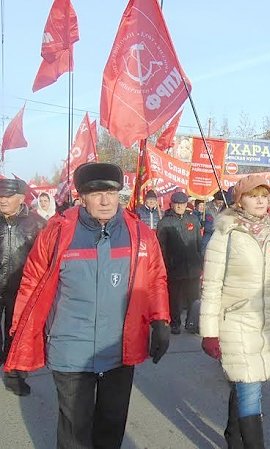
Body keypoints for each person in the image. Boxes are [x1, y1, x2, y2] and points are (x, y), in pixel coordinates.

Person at [4, 162, 170, 448]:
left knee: (111, 426)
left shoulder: (140, 234)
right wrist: (19, 342)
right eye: (95, 193)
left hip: (119, 348)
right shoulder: (57, 232)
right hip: (70, 350)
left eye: (111, 191)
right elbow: (31, 286)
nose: (105, 200)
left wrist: (161, 321)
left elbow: (155, 279)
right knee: (75, 432)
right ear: (81, 196)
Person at [200, 174, 270, 449]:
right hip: (234, 319)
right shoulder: (225, 234)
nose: (259, 200)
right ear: (239, 201)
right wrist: (209, 333)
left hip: (265, 323)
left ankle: (233, 436)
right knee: (250, 386)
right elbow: (211, 287)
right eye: (252, 195)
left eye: (264, 195)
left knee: (245, 381)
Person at [0, 179, 46, 395]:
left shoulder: (37, 224)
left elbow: (44, 259)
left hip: (21, 291)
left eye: (7, 196)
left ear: (21, 198)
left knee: (16, 333)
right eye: (0, 195)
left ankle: (14, 375)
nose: (2, 200)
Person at [157, 191, 203, 334]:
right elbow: (161, 247)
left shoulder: (193, 219)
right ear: (172, 205)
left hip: (193, 267)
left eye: (182, 204)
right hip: (174, 267)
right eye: (177, 204)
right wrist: (165, 265)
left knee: (193, 298)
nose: (180, 207)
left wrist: (200, 263)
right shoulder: (165, 222)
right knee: (175, 299)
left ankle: (192, 323)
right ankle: (175, 323)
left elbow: (198, 243)